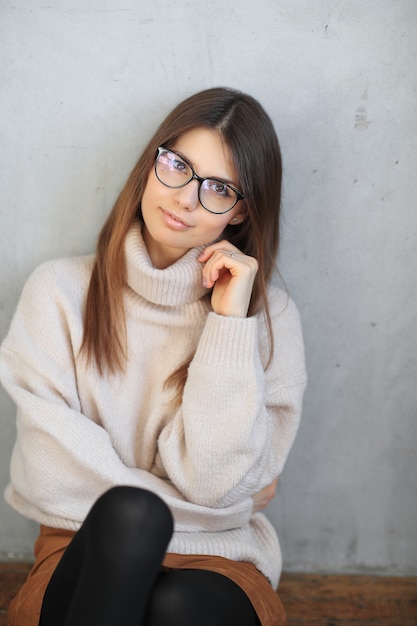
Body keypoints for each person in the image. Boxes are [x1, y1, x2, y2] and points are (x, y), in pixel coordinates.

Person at [0, 86, 307, 626]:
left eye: (218, 188)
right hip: (81, 548)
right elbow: (49, 474)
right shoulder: (58, 293)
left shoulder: (269, 318)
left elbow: (213, 479)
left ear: (241, 212)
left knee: (176, 607)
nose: (186, 198)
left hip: (221, 559)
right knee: (132, 516)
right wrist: (214, 506)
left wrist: (229, 323)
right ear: (152, 163)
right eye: (178, 166)